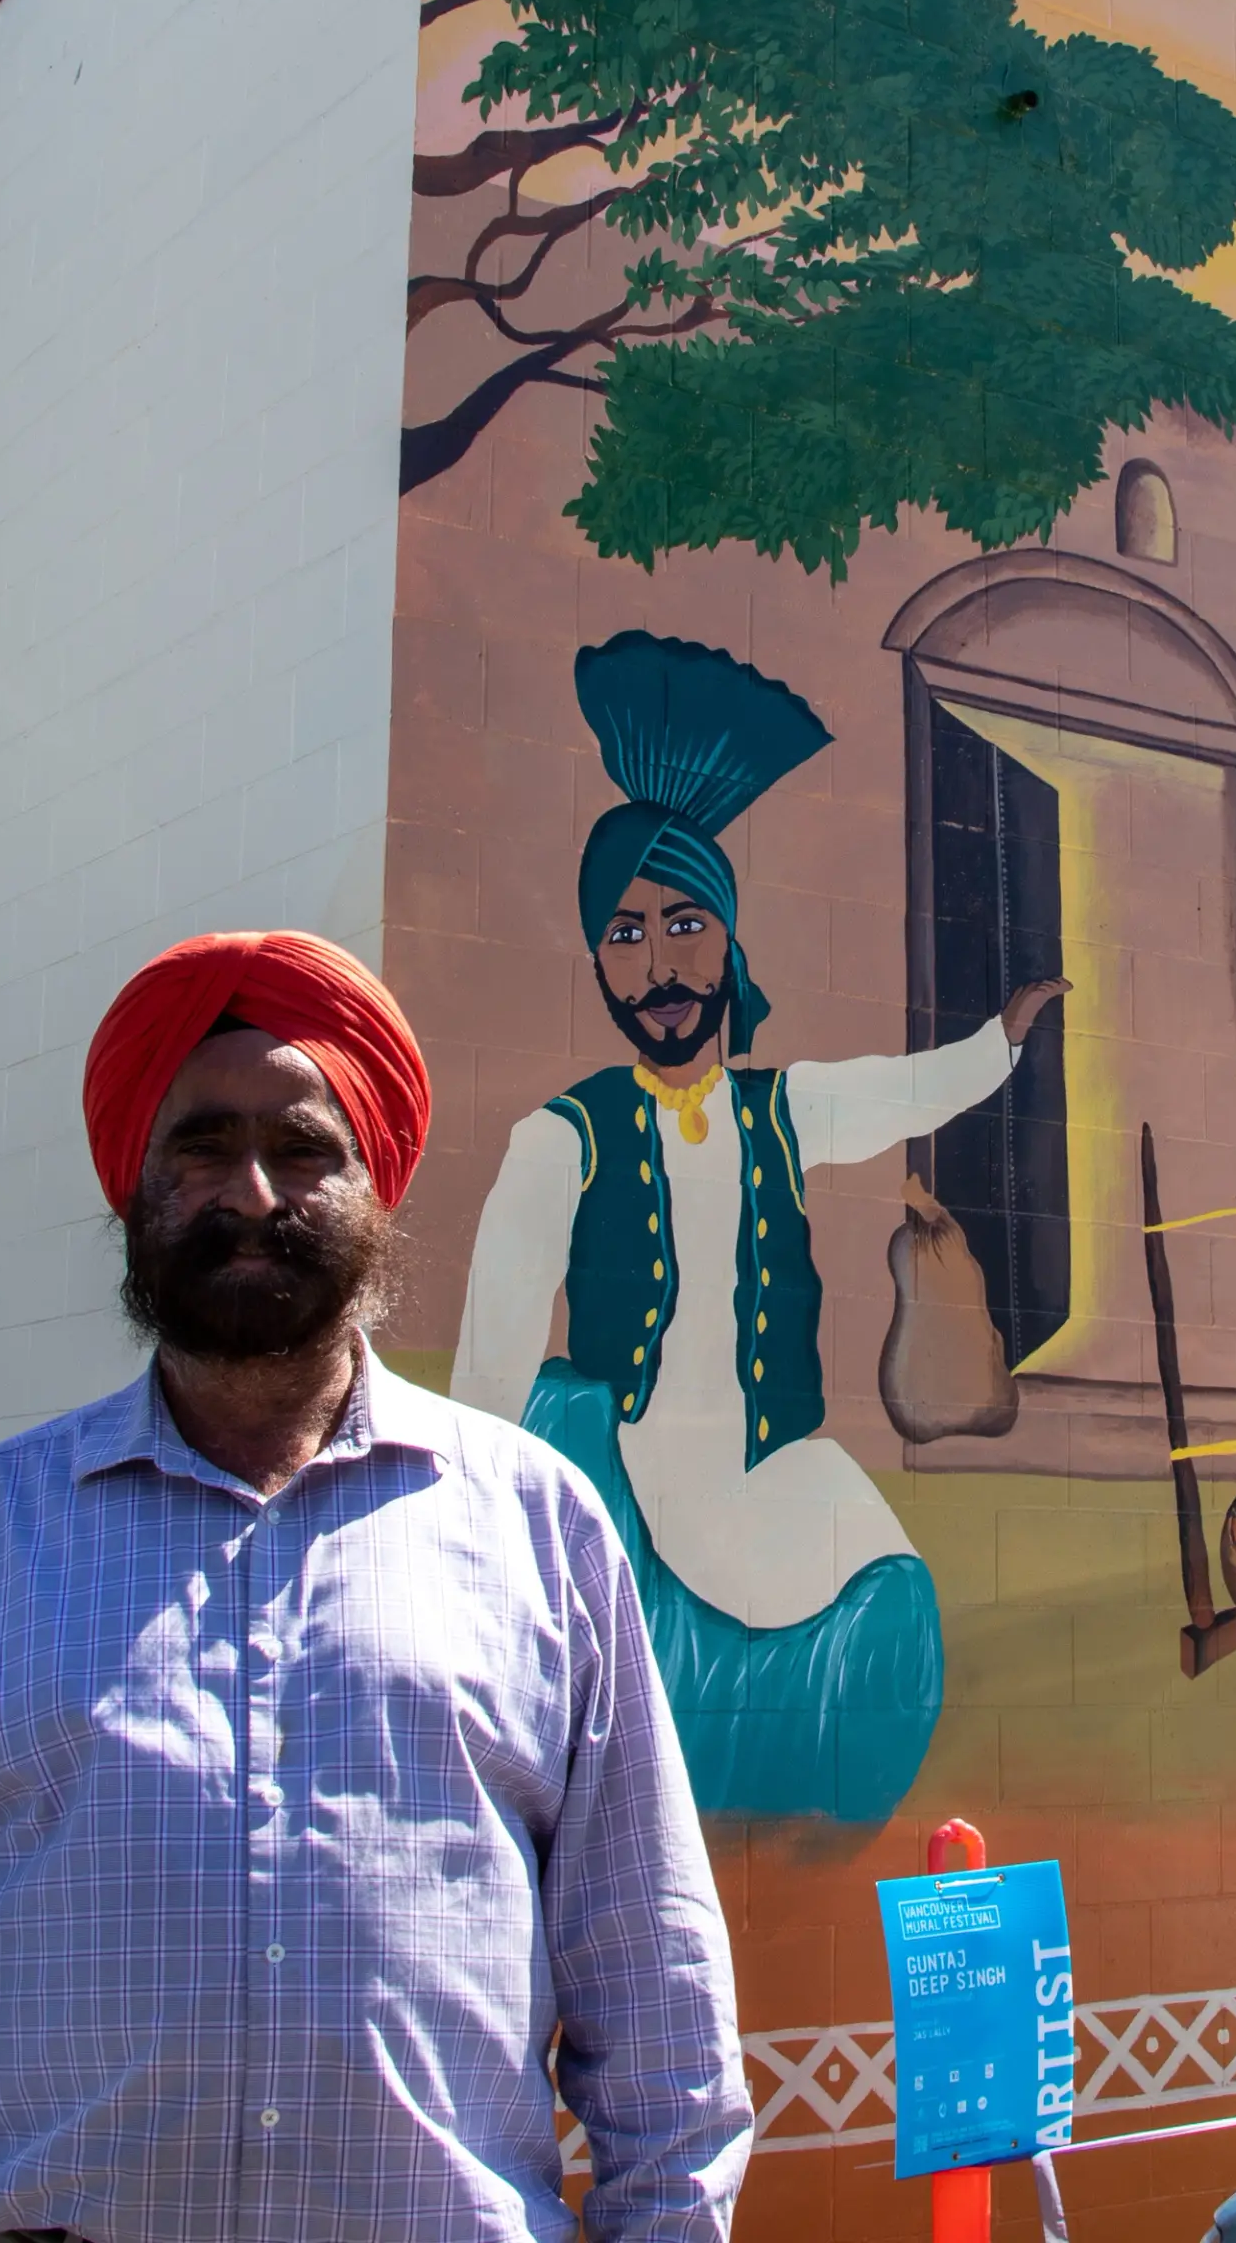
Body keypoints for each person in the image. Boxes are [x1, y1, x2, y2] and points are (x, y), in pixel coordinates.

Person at [0, 932, 749, 2243]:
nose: (252, 1191)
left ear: (376, 1183)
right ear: (135, 1187)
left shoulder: (537, 1529)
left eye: (303, 1146)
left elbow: (659, 2008)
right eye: (202, 1145)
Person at [457, 630, 1062, 1826]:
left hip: (768, 1470)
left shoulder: (781, 1111)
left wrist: (1000, 1043)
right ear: (597, 964)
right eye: (623, 935)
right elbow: (486, 1377)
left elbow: (900, 1088)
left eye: (684, 923)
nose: (658, 964)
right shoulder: (559, 1142)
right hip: (622, 1477)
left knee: (891, 1614)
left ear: (730, 940)